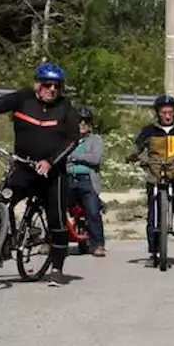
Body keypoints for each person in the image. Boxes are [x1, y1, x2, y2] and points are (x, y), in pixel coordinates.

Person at [0, 62, 81, 285]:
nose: (52, 89)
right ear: (37, 84)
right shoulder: (23, 98)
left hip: (53, 174)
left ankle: (57, 269)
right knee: (1, 200)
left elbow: (72, 140)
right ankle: (2, 244)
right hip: (24, 168)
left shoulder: (66, 107)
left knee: (57, 222)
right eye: (47, 84)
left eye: (57, 86)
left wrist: (51, 162)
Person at [128, 95, 174, 268]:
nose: (168, 116)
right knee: (153, 216)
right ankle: (154, 252)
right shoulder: (149, 130)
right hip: (155, 174)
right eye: (164, 112)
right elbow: (138, 146)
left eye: (170, 112)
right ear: (158, 113)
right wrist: (134, 156)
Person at [66, 105, 106, 257]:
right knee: (53, 207)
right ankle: (49, 241)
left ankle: (98, 244)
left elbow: (95, 159)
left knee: (93, 211)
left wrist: (73, 156)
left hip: (87, 180)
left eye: (85, 121)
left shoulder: (95, 139)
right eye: (79, 121)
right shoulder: (67, 139)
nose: (82, 124)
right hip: (68, 177)